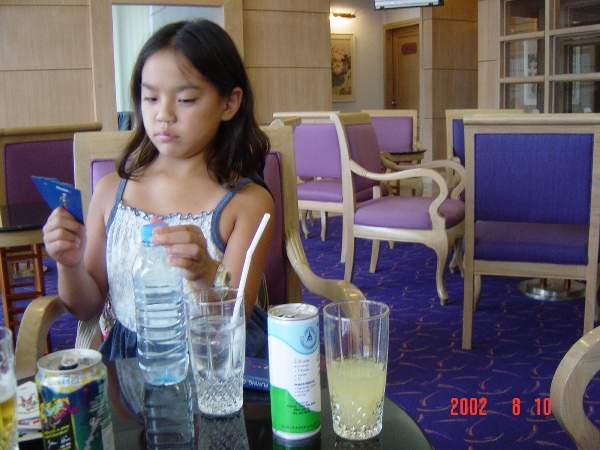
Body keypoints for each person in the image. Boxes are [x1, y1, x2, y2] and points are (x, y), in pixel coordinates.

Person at [42, 19, 274, 360]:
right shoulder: (110, 193)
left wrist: (204, 273)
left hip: (217, 361)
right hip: (131, 363)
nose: (163, 114)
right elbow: (85, 307)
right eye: (150, 97)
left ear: (229, 103)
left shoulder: (248, 202)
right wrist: (69, 264)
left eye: (186, 99)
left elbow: (233, 318)